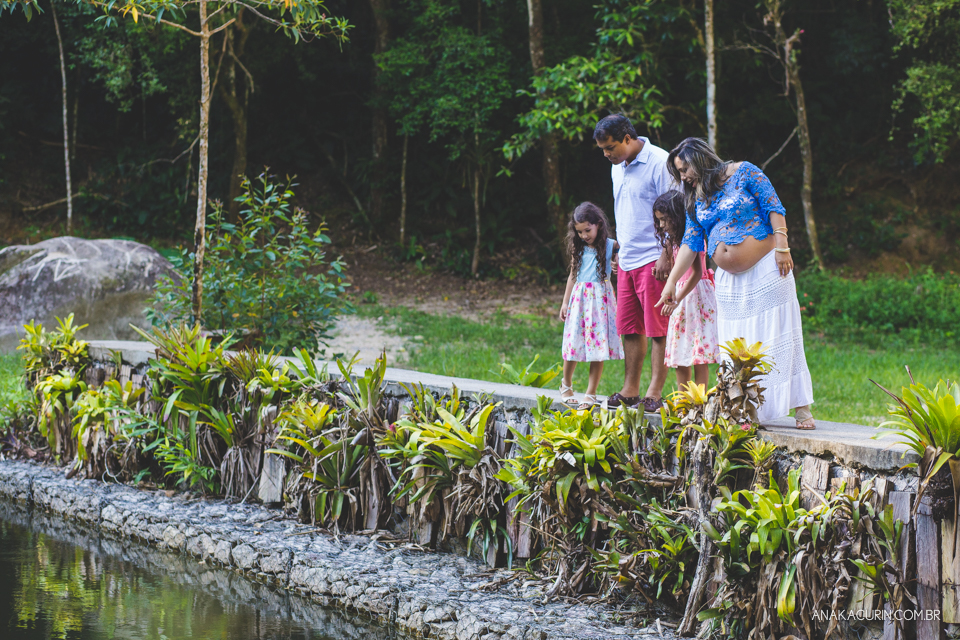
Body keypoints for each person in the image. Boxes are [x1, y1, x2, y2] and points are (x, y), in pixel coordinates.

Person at [656, 137, 815, 429]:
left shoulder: (744, 172)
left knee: (779, 335)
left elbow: (773, 205)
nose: (683, 177)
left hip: (767, 268)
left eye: (685, 169)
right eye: (679, 172)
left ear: (700, 158)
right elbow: (692, 242)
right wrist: (671, 285)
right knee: (736, 346)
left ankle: (801, 408)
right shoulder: (693, 199)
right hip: (729, 283)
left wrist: (783, 246)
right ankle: (744, 409)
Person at [594, 114, 676, 412]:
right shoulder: (618, 166)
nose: (606, 154)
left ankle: (654, 391)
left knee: (658, 329)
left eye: (610, 147)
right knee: (630, 327)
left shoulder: (659, 162)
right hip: (627, 259)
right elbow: (625, 210)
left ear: (628, 138)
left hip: (654, 258)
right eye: (602, 149)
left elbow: (675, 211)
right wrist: (617, 250)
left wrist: (667, 253)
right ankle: (630, 389)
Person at [559, 202, 623, 410]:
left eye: (588, 230)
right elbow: (573, 275)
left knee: (598, 347)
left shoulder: (612, 245)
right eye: (579, 232)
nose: (584, 235)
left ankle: (591, 392)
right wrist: (565, 302)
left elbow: (620, 266)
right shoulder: (578, 248)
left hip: (601, 301)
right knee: (573, 344)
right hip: (579, 301)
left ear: (598, 224)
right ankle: (566, 385)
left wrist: (617, 264)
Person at [652, 191, 719, 390]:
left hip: (695, 297)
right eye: (659, 221)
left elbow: (697, 273)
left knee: (699, 355)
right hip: (680, 299)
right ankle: (683, 402)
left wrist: (677, 298)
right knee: (680, 351)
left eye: (665, 219)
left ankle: (698, 402)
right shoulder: (673, 240)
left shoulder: (694, 238)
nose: (662, 225)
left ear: (678, 215)